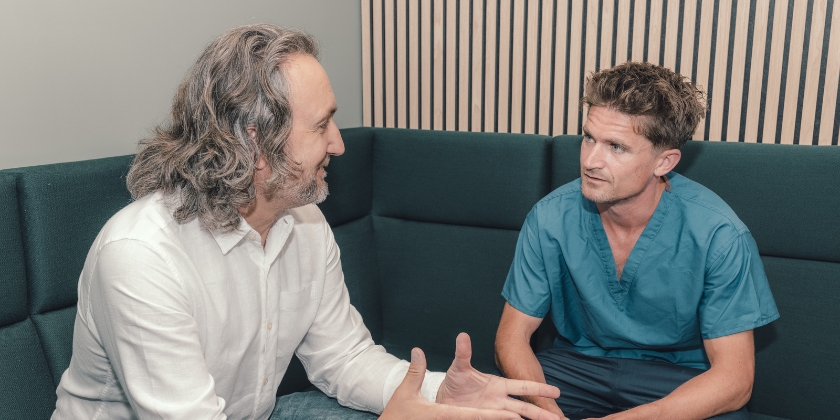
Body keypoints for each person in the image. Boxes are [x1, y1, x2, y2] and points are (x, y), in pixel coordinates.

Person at [51, 24, 561, 420]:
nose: (338, 143)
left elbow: (344, 359)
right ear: (255, 145)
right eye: (321, 126)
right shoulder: (141, 258)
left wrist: (437, 393)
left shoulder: (306, 223)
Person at [495, 62, 779, 420]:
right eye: (589, 138)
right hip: (575, 369)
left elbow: (735, 379)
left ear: (665, 161)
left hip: (678, 381)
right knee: (493, 406)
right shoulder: (549, 217)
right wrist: (546, 412)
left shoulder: (719, 236)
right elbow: (511, 338)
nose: (591, 161)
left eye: (616, 147)